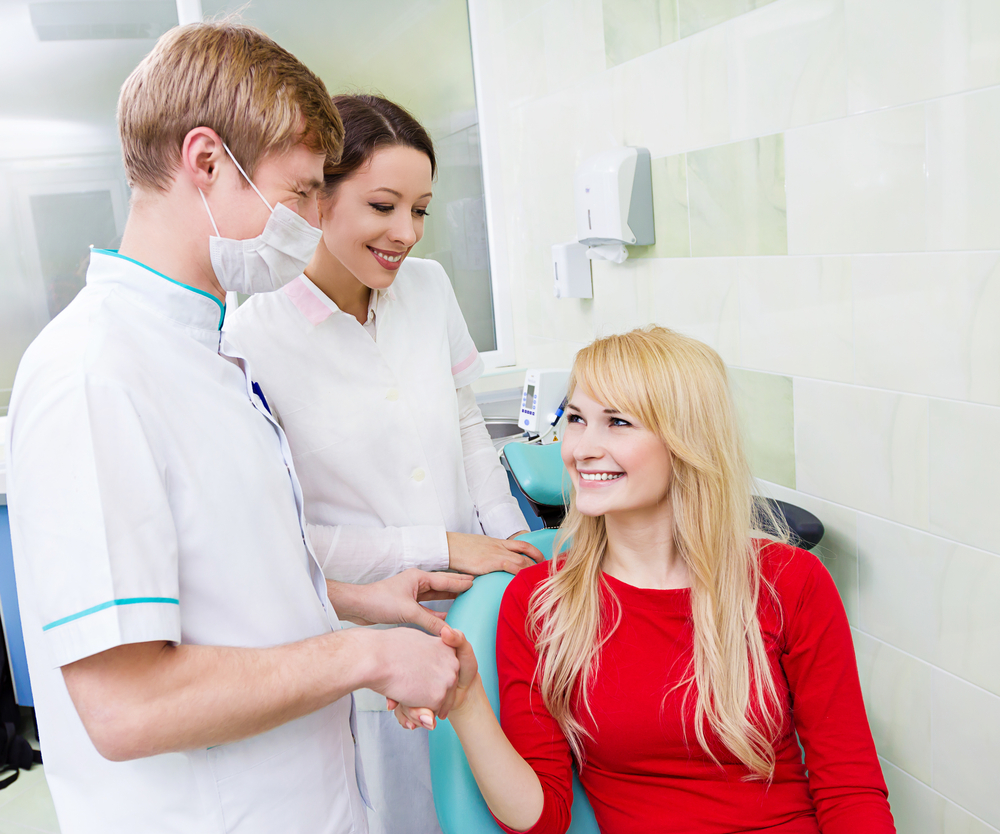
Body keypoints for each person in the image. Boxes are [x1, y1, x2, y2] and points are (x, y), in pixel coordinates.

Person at [5, 23, 472, 834]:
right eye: (297, 195)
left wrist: (358, 602)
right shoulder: (93, 374)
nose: (310, 220)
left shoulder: (206, 355)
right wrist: (363, 654)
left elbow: (218, 583)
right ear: (208, 161)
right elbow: (126, 705)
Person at [395, 326, 897, 833]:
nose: (582, 448)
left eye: (617, 422)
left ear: (686, 442)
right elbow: (540, 819)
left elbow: (849, 790)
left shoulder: (790, 582)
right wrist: (467, 704)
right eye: (575, 418)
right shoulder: (541, 601)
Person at [224, 94, 541, 834]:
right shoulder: (251, 339)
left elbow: (467, 426)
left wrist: (513, 560)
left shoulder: (425, 287)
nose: (406, 233)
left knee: (505, 802)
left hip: (481, 613)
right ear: (317, 197)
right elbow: (288, 539)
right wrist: (439, 547)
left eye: (422, 209)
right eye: (382, 205)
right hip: (367, 651)